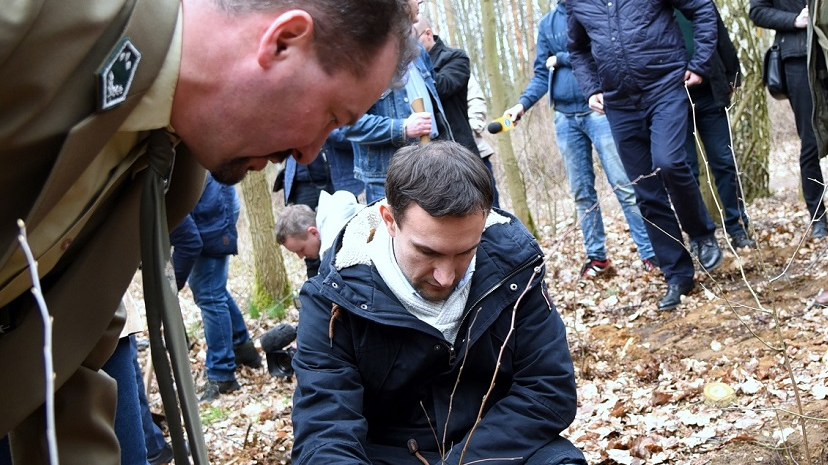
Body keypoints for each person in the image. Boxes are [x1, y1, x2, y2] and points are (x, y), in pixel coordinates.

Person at [0, 0, 416, 461]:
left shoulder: (176, 172)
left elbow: (66, 343)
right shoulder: (33, 24)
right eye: (331, 116)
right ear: (283, 42)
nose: (309, 153)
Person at [291, 141, 586, 465]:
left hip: (501, 449)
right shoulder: (333, 299)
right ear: (389, 220)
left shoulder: (515, 271)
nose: (446, 277)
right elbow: (325, 433)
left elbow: (549, 391)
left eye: (464, 252)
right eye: (428, 252)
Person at [567, 0, 725, 310]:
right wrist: (590, 88)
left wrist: (701, 61)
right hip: (619, 104)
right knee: (645, 189)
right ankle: (677, 273)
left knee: (669, 162)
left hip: (665, 88)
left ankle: (701, 233)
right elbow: (578, 49)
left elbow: (703, 9)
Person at [504, 0, 657, 281]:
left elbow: (602, 54)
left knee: (625, 185)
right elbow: (541, 74)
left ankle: (651, 253)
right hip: (564, 118)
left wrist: (560, 59)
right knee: (582, 193)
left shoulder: (594, 11)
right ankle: (597, 257)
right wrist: (522, 106)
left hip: (600, 111)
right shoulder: (547, 23)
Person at [344, 0, 451, 203]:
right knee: (393, 236)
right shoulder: (364, 52)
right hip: (389, 178)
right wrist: (402, 128)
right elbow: (348, 124)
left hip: (432, 166)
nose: (420, 1)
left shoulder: (416, 48)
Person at [170, 174, 262, 402]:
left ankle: (222, 374)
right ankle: (242, 347)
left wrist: (171, 285)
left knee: (210, 295)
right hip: (210, 209)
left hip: (212, 217)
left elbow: (189, 242)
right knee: (212, 289)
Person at [676, 8, 757, 250]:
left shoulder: (701, 3)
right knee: (685, 170)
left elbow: (720, 36)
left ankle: (737, 227)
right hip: (673, 102)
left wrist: (732, 79)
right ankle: (701, 237)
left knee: (723, 161)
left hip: (710, 93)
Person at [750, 0, 828, 238]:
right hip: (798, 59)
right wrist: (794, 20)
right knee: (812, 140)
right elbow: (757, 11)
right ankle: (818, 219)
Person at [275, 191, 364, 278]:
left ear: (313, 232)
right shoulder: (336, 209)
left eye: (301, 249)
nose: (300, 256)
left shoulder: (334, 247)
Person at [467, 73, 502, 208]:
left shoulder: (453, 59)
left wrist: (472, 127)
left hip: (475, 150)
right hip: (435, 161)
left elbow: (476, 99)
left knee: (491, 209)